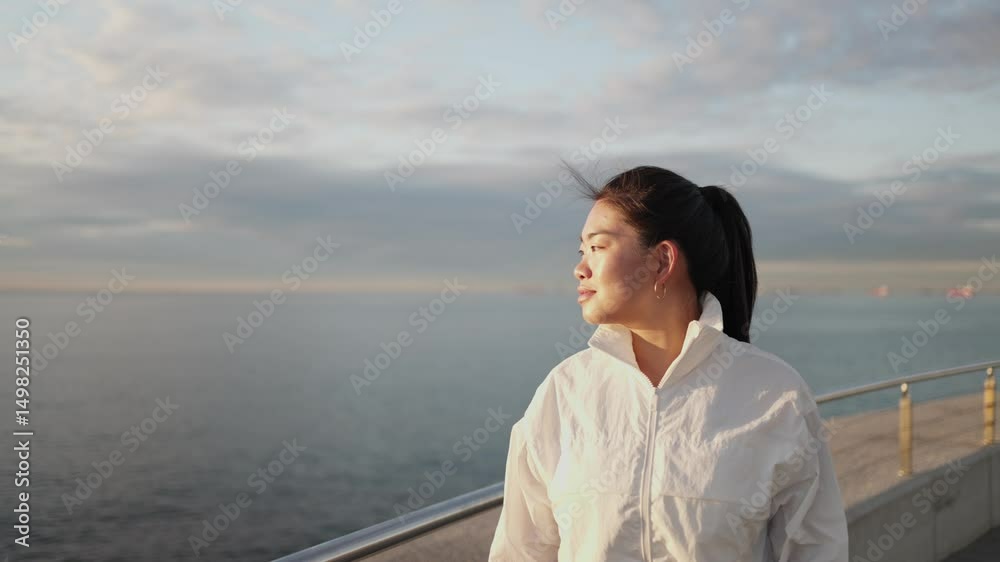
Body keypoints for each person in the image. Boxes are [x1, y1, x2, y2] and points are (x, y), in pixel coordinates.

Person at [487, 166, 848, 561]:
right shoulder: (564, 392)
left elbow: (817, 551)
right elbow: (521, 551)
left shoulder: (775, 396)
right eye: (582, 250)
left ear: (661, 260)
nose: (580, 268)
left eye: (598, 247)